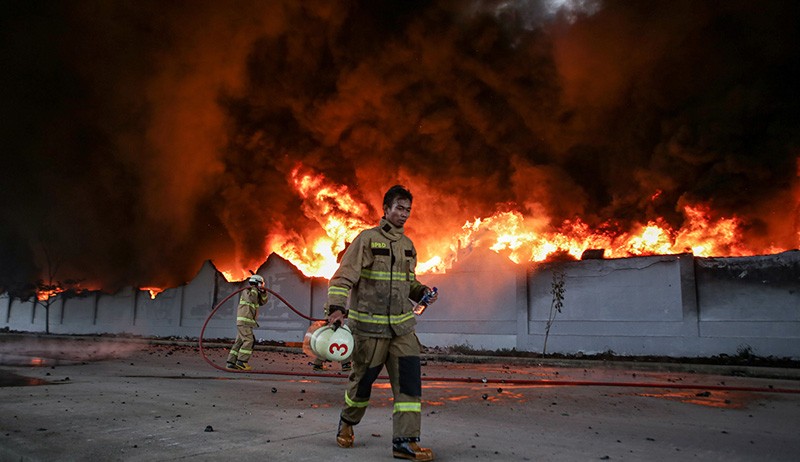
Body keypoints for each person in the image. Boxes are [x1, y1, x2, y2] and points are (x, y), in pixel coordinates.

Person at [326, 185, 438, 461]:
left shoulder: (408, 246)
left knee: (409, 386)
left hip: (403, 330)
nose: (404, 214)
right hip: (369, 331)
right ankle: (347, 422)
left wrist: (422, 291)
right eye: (399, 208)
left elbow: (408, 283)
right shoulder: (367, 240)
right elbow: (343, 277)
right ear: (386, 209)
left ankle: (405, 443)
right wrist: (337, 309)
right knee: (361, 385)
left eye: (408, 210)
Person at [226, 274, 269, 371]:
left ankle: (231, 362)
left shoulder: (255, 293)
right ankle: (242, 362)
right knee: (249, 340)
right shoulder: (247, 291)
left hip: (245, 322)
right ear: (257, 283)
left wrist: (263, 292)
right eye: (261, 284)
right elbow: (252, 299)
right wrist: (255, 289)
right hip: (244, 322)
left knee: (239, 341)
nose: (262, 286)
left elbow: (263, 302)